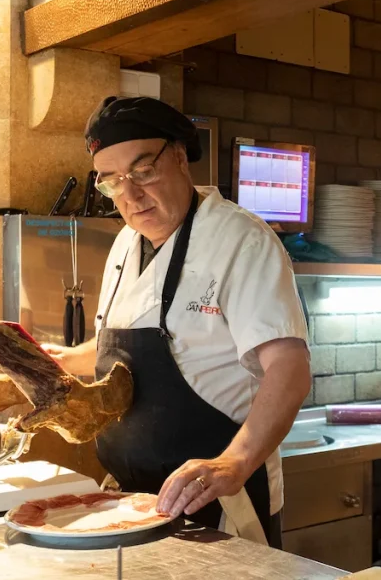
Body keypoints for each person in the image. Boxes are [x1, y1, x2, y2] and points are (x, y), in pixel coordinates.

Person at [45, 96, 311, 548]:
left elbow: (289, 368)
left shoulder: (240, 240)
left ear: (180, 157)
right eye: (111, 182)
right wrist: (61, 359)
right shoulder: (126, 244)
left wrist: (234, 462)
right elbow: (125, 345)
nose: (129, 194)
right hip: (133, 504)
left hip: (220, 506)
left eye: (143, 171)